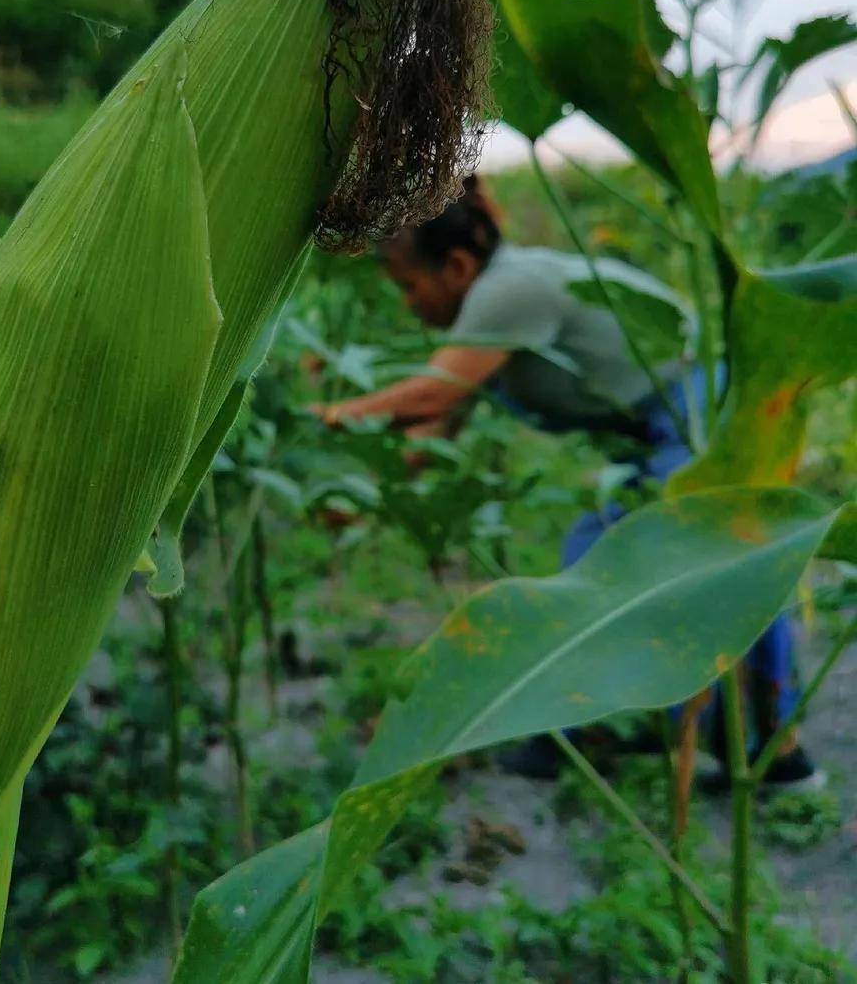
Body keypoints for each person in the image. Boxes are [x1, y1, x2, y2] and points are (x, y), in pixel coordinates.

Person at [312, 177, 816, 787]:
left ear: (457, 265)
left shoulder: (510, 289)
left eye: (409, 286)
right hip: (647, 432)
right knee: (596, 560)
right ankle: (602, 726)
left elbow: (431, 393)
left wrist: (329, 419)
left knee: (725, 567)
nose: (408, 305)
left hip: (693, 408)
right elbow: (436, 428)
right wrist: (361, 502)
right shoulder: (486, 311)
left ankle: (775, 750)